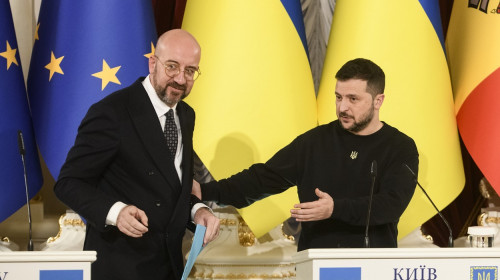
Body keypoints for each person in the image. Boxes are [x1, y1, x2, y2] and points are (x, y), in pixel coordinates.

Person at [193, 58, 418, 250]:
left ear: (378, 101)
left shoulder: (400, 147)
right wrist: (206, 190)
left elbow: (390, 205)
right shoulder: (315, 142)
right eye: (338, 97)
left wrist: (334, 209)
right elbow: (262, 179)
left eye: (353, 99)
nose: (342, 108)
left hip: (374, 266)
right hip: (318, 264)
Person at [54, 29, 220, 280]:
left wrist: (197, 211)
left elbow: (170, 186)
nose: (181, 79)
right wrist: (116, 212)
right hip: (121, 266)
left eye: (190, 71)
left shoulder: (186, 115)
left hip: (170, 265)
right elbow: (69, 183)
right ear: (153, 63)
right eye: (172, 66)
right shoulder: (113, 112)